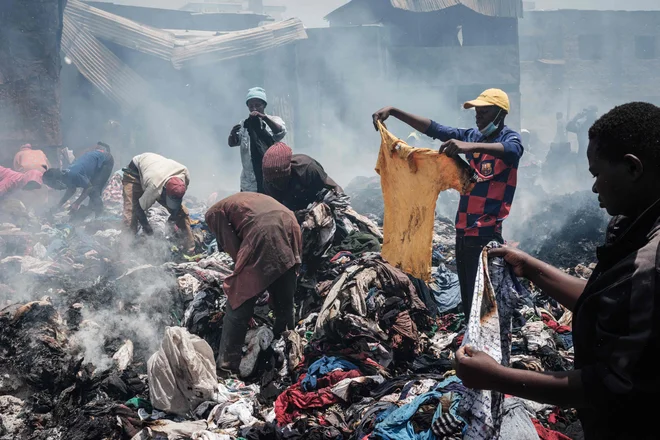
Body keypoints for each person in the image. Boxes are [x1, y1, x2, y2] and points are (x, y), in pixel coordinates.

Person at [454, 102, 660, 440]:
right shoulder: (637, 227)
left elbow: (608, 385)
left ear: (632, 168)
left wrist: (495, 377)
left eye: (597, 174)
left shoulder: (650, 262)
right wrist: (532, 269)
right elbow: (606, 301)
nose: (595, 188)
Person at [372, 88, 523, 316]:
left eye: (484, 112)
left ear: (500, 114)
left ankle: (484, 345)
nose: (478, 116)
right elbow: (435, 129)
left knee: (484, 301)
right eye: (477, 111)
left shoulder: (507, 139)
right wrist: (394, 111)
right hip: (462, 230)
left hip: (485, 233)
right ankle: (470, 341)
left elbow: (514, 151)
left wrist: (468, 147)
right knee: (468, 298)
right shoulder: (474, 135)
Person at [205, 193, 302, 372]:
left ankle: (227, 364)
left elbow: (233, 247)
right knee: (284, 296)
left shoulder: (213, 213)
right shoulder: (241, 200)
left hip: (264, 230)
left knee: (239, 298)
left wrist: (245, 284)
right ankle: (286, 343)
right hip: (290, 223)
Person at [121, 152, 194, 253]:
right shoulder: (154, 187)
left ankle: (190, 249)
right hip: (135, 173)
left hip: (157, 173)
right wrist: (148, 229)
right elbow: (138, 208)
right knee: (131, 212)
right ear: (164, 191)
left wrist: (172, 220)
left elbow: (178, 201)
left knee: (182, 212)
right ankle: (125, 251)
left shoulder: (184, 173)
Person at [228, 87, 287, 193]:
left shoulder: (274, 120)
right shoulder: (244, 124)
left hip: (270, 177)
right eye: (251, 106)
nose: (254, 108)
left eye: (257, 105)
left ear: (264, 105)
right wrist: (232, 134)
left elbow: (280, 132)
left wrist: (263, 118)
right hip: (249, 181)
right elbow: (233, 143)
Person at [261, 142, 343, 211]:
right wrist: (295, 215)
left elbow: (335, 187)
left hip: (318, 200)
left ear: (288, 172)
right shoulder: (269, 182)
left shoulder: (308, 168)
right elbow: (276, 210)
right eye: (272, 182)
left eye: (279, 180)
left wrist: (339, 205)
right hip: (292, 208)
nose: (275, 185)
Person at [42, 148, 114, 216]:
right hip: (96, 159)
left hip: (105, 161)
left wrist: (77, 203)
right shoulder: (65, 176)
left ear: (57, 181)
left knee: (94, 191)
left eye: (52, 186)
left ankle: (100, 216)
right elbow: (72, 190)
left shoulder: (74, 174)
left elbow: (89, 187)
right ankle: (92, 211)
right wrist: (59, 205)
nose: (55, 189)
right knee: (92, 192)